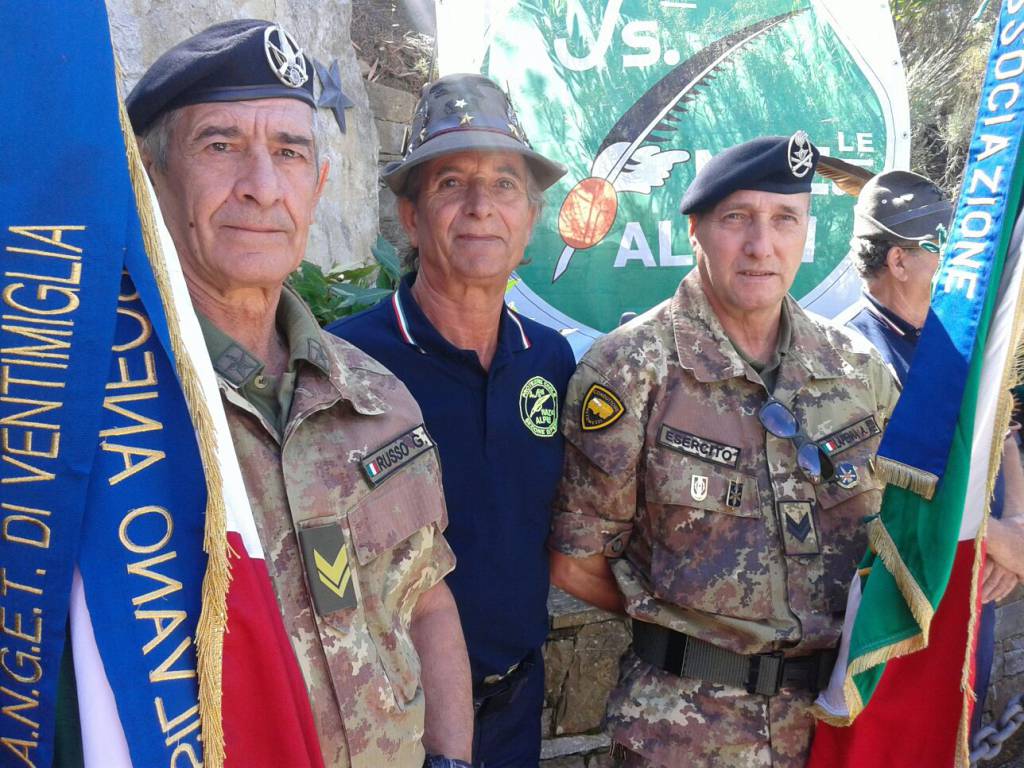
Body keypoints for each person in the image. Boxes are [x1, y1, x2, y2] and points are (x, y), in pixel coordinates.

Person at [126, 20, 472, 767]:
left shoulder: (377, 398)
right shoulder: (113, 413)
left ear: (317, 185)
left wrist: (449, 758)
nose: (261, 184)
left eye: (289, 151)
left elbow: (425, 599)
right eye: (220, 145)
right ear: (151, 177)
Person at [548, 134, 901, 767]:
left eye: (784, 219)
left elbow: (910, 529)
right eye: (737, 218)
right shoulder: (630, 371)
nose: (761, 246)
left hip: (838, 725)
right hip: (685, 735)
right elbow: (576, 562)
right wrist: (705, 631)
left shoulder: (858, 374)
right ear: (696, 231)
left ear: (806, 234)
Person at [329, 73, 576, 767]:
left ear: (530, 219)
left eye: (504, 185)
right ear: (409, 218)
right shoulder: (348, 364)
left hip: (515, 707)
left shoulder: (549, 361)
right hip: (387, 721)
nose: (479, 207)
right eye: (449, 184)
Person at [842, 169, 1024, 731]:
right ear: (899, 261)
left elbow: (1004, 431)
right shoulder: (847, 355)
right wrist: (996, 540)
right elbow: (868, 493)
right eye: (944, 249)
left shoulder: (956, 339)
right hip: (902, 612)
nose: (964, 267)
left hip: (974, 591)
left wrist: (1015, 520)